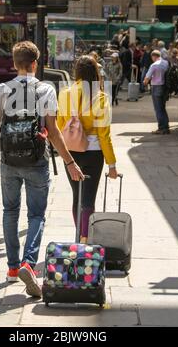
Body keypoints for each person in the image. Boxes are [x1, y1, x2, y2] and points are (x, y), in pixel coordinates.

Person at [0, 41, 84, 298]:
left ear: (14, 64)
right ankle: (28, 263)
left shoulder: (2, 90)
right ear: (35, 63)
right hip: (37, 161)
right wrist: (70, 162)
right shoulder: (45, 89)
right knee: (36, 215)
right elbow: (55, 132)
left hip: (9, 162)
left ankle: (13, 269)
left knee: (10, 211)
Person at [57, 55, 118, 243]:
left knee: (77, 195)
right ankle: (85, 238)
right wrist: (112, 164)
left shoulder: (65, 94)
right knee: (88, 198)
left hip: (71, 152)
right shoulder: (100, 97)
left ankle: (79, 235)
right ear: (96, 74)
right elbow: (104, 134)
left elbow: (59, 125)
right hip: (94, 153)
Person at [143, 50, 170, 134]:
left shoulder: (154, 65)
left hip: (156, 87)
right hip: (164, 87)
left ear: (153, 56)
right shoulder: (166, 62)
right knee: (162, 108)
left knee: (158, 109)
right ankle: (166, 127)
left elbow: (147, 79)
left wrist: (144, 83)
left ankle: (161, 128)